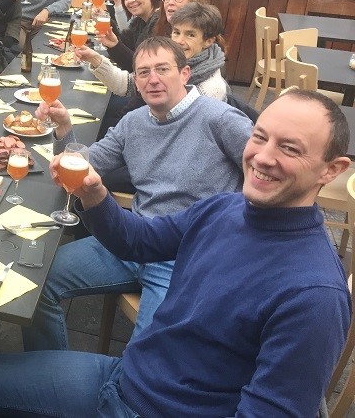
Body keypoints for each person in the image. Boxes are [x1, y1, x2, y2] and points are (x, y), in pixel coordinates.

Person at [0, 89, 351, 417]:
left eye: (289, 148)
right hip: (124, 376)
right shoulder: (224, 209)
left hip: (160, 408)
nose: (264, 157)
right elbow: (141, 241)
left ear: (331, 170)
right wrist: (94, 193)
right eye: (260, 137)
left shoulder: (313, 294)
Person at [23, 37, 253, 351]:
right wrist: (64, 126)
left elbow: (268, 178)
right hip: (133, 240)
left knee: (149, 354)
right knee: (37, 285)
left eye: (162, 69)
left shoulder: (221, 119)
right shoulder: (134, 122)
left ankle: (128, 394)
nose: (153, 79)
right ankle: (51, 379)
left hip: (183, 258)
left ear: (185, 74)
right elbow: (86, 165)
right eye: (143, 72)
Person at [78, 2, 228, 109]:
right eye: (176, 32)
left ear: (208, 41)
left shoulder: (210, 89)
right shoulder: (172, 57)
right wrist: (95, 59)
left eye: (190, 35)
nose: (179, 41)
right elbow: (127, 85)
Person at [95, 0, 162, 72]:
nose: (131, 0)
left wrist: (115, 46)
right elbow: (125, 44)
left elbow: (141, 67)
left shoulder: (160, 25)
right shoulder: (139, 21)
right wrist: (107, 22)